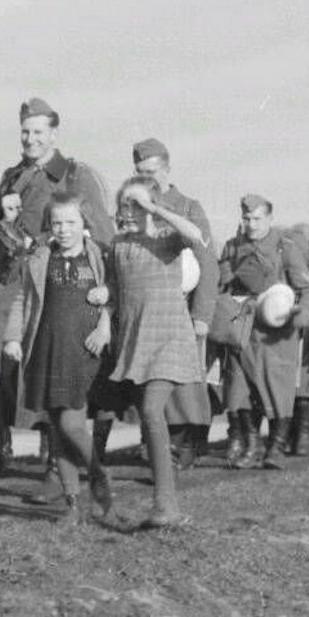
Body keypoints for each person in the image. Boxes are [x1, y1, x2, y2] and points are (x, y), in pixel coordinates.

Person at [0, 97, 114, 484]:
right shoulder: (11, 177)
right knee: (15, 375)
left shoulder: (75, 175)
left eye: (38, 132)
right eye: (25, 132)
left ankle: (55, 463)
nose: (30, 139)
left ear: (54, 135)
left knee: (54, 370)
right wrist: (4, 220)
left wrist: (102, 289)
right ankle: (28, 454)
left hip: (57, 287)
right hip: (12, 287)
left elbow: (101, 237)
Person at [100, 175, 207, 528]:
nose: (129, 212)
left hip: (169, 338)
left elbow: (196, 235)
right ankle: (164, 504)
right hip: (137, 341)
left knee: (150, 409)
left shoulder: (166, 239)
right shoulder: (118, 245)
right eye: (125, 205)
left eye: (137, 205)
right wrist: (104, 317)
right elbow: (114, 290)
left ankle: (166, 506)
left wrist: (155, 209)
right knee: (147, 416)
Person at [1, 195, 115, 523]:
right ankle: (72, 503)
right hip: (47, 349)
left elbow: (117, 293)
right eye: (57, 223)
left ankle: (99, 476)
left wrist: (105, 322)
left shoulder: (98, 255)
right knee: (57, 429)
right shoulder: (40, 258)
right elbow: (23, 298)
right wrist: (12, 337)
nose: (64, 230)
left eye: (71, 222)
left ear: (84, 224)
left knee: (71, 424)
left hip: (83, 350)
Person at [127, 139, 218, 470]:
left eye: (152, 171)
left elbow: (207, 263)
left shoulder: (188, 207)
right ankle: (154, 443)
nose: (146, 178)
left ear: (167, 169)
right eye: (140, 172)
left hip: (181, 307)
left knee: (183, 384)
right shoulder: (132, 206)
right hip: (146, 309)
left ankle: (184, 445)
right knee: (148, 377)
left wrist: (201, 314)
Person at [215, 197, 309, 469]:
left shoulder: (286, 248)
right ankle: (252, 446)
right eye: (247, 219)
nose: (251, 224)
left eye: (257, 219)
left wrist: (305, 313)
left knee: (277, 388)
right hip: (243, 327)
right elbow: (221, 285)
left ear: (270, 219)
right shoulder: (233, 247)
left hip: (277, 329)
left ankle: (276, 447)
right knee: (239, 388)